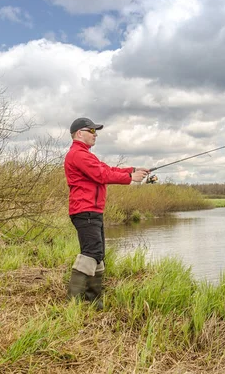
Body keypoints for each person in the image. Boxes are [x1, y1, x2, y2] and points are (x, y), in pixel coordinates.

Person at [64, 117, 148, 309]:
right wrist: (130, 178)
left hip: (93, 211)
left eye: (96, 131)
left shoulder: (86, 155)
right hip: (84, 210)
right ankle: (73, 302)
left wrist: (132, 170)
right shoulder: (78, 154)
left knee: (98, 254)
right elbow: (102, 175)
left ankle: (94, 301)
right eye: (92, 131)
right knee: (91, 252)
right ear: (79, 134)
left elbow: (106, 169)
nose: (96, 135)